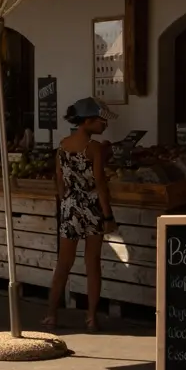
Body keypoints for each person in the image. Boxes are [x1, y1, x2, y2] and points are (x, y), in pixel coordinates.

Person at [45, 98, 114, 332]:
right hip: (92, 207)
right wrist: (108, 216)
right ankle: (92, 317)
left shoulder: (62, 146)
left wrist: (66, 201)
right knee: (92, 263)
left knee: (63, 263)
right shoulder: (94, 149)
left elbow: (59, 180)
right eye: (101, 121)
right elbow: (101, 184)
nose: (104, 125)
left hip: (69, 207)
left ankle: (52, 314)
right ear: (88, 121)